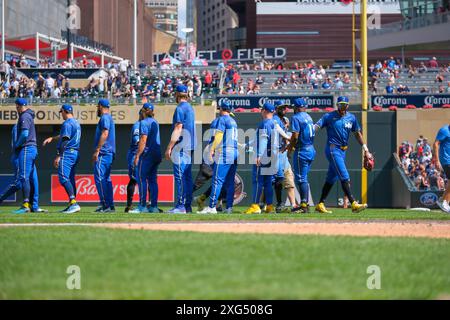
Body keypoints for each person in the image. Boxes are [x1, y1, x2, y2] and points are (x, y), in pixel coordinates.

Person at [314, 96, 372, 214]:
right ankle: (353, 203)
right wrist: (309, 131)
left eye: (344, 104)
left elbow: (357, 134)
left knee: (331, 178)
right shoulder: (329, 116)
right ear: (337, 105)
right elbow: (317, 126)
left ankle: (320, 204)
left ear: (348, 105)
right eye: (340, 104)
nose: (342, 106)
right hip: (332, 149)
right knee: (344, 175)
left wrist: (365, 149)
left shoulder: (351, 118)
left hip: (342, 151)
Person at [197, 101, 238, 214]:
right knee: (229, 181)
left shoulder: (221, 119)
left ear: (221, 109)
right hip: (234, 152)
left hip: (225, 152)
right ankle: (228, 207)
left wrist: (211, 149)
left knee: (217, 180)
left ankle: (211, 207)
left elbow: (219, 136)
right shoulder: (233, 121)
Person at [0, 99, 39, 214]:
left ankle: (26, 205)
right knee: (31, 179)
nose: (16, 109)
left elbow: (25, 134)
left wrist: (17, 145)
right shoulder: (28, 116)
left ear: (18, 106)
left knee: (22, 178)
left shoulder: (24, 116)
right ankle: (33, 206)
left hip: (26, 149)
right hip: (30, 149)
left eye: (16, 107)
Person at [43, 104, 81, 213]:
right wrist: (52, 138)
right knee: (70, 179)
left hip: (67, 153)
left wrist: (59, 155)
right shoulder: (76, 123)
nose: (61, 114)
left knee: (63, 178)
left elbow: (65, 140)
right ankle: (72, 203)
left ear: (64, 111)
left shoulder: (67, 123)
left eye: (62, 112)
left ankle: (73, 203)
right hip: (75, 153)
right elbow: (64, 135)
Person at [165, 85, 196, 214]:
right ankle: (187, 206)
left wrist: (169, 147)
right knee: (187, 178)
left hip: (181, 146)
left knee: (180, 177)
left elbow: (178, 129)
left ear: (177, 94)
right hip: (190, 147)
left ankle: (181, 206)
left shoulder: (180, 108)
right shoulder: (190, 108)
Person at [244, 102, 277, 214]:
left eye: (262, 109)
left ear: (264, 111)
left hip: (263, 156)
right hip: (272, 155)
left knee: (258, 181)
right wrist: (248, 144)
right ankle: (269, 206)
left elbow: (263, 140)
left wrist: (258, 155)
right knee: (268, 182)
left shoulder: (265, 124)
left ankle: (255, 205)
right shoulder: (274, 123)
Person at [131, 103, 162, 214]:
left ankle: (142, 206)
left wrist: (137, 155)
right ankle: (154, 206)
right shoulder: (155, 122)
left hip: (148, 154)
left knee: (141, 178)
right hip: (157, 154)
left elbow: (143, 140)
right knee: (153, 181)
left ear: (143, 111)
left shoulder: (143, 123)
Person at [288, 98, 316, 214]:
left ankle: (304, 204)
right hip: (311, 149)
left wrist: (290, 148)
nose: (293, 109)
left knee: (301, 178)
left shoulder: (296, 117)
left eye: (294, 107)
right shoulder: (308, 117)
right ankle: (305, 203)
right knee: (304, 177)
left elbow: (295, 135)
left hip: (302, 150)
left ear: (297, 107)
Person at [92, 99, 116, 213]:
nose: (97, 108)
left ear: (101, 106)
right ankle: (109, 205)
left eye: (98, 106)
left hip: (104, 152)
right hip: (108, 152)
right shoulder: (108, 117)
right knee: (106, 179)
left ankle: (105, 204)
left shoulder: (105, 117)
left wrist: (97, 149)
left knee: (100, 178)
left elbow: (105, 133)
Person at [273, 101, 294, 213]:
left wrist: (288, 147)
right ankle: (265, 204)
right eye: (283, 107)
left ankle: (294, 205)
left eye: (286, 107)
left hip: (283, 154)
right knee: (273, 180)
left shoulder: (285, 120)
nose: (286, 109)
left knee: (289, 180)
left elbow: (286, 138)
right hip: (276, 153)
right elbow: (278, 131)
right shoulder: (275, 119)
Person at [124, 113, 142, 213]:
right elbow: (137, 140)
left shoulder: (145, 124)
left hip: (141, 154)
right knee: (134, 180)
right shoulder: (137, 125)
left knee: (143, 180)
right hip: (135, 154)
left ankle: (147, 203)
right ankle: (129, 205)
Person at [433, 124, 450, 213]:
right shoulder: (444, 130)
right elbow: (436, 144)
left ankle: (442, 201)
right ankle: (445, 202)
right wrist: (437, 160)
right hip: (446, 160)